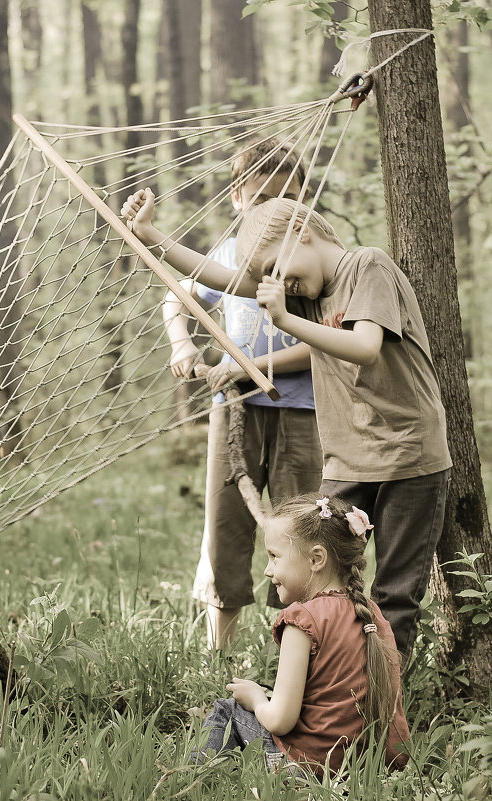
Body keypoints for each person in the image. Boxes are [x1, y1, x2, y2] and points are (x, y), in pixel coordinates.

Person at [121, 190, 451, 664]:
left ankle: (382, 708)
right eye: (272, 278)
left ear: (303, 231)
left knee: (394, 594)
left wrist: (284, 320)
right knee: (321, 580)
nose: (283, 284)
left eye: (280, 269)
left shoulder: (367, 266)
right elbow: (224, 277)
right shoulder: (307, 294)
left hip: (409, 457)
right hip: (347, 458)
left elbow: (365, 346)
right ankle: (325, 687)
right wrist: (152, 237)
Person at [164, 140, 321, 651]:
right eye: (261, 199)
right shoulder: (229, 255)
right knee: (226, 522)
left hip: (302, 411)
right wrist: (183, 343)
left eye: (290, 198)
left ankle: (295, 648)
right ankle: (219, 650)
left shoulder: (311, 257)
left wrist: (252, 364)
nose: (276, 209)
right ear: (237, 197)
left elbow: (325, 346)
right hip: (233, 409)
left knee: (300, 525)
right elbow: (177, 298)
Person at [194, 494, 409, 775]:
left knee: (228, 709)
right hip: (368, 767)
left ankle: (192, 779)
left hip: (308, 766)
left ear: (316, 558)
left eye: (274, 556)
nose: (267, 570)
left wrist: (257, 699)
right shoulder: (372, 615)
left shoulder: (302, 619)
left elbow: (280, 721)